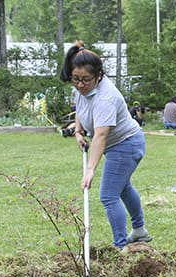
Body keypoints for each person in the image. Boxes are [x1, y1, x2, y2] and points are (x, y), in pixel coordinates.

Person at [59, 40, 152, 250]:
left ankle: (120, 247)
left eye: (86, 80)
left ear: (98, 75)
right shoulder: (82, 88)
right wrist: (78, 130)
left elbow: (100, 136)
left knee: (108, 196)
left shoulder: (105, 99)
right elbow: (81, 108)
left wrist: (90, 169)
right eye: (75, 79)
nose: (80, 85)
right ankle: (139, 230)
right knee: (123, 187)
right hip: (120, 144)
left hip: (126, 145)